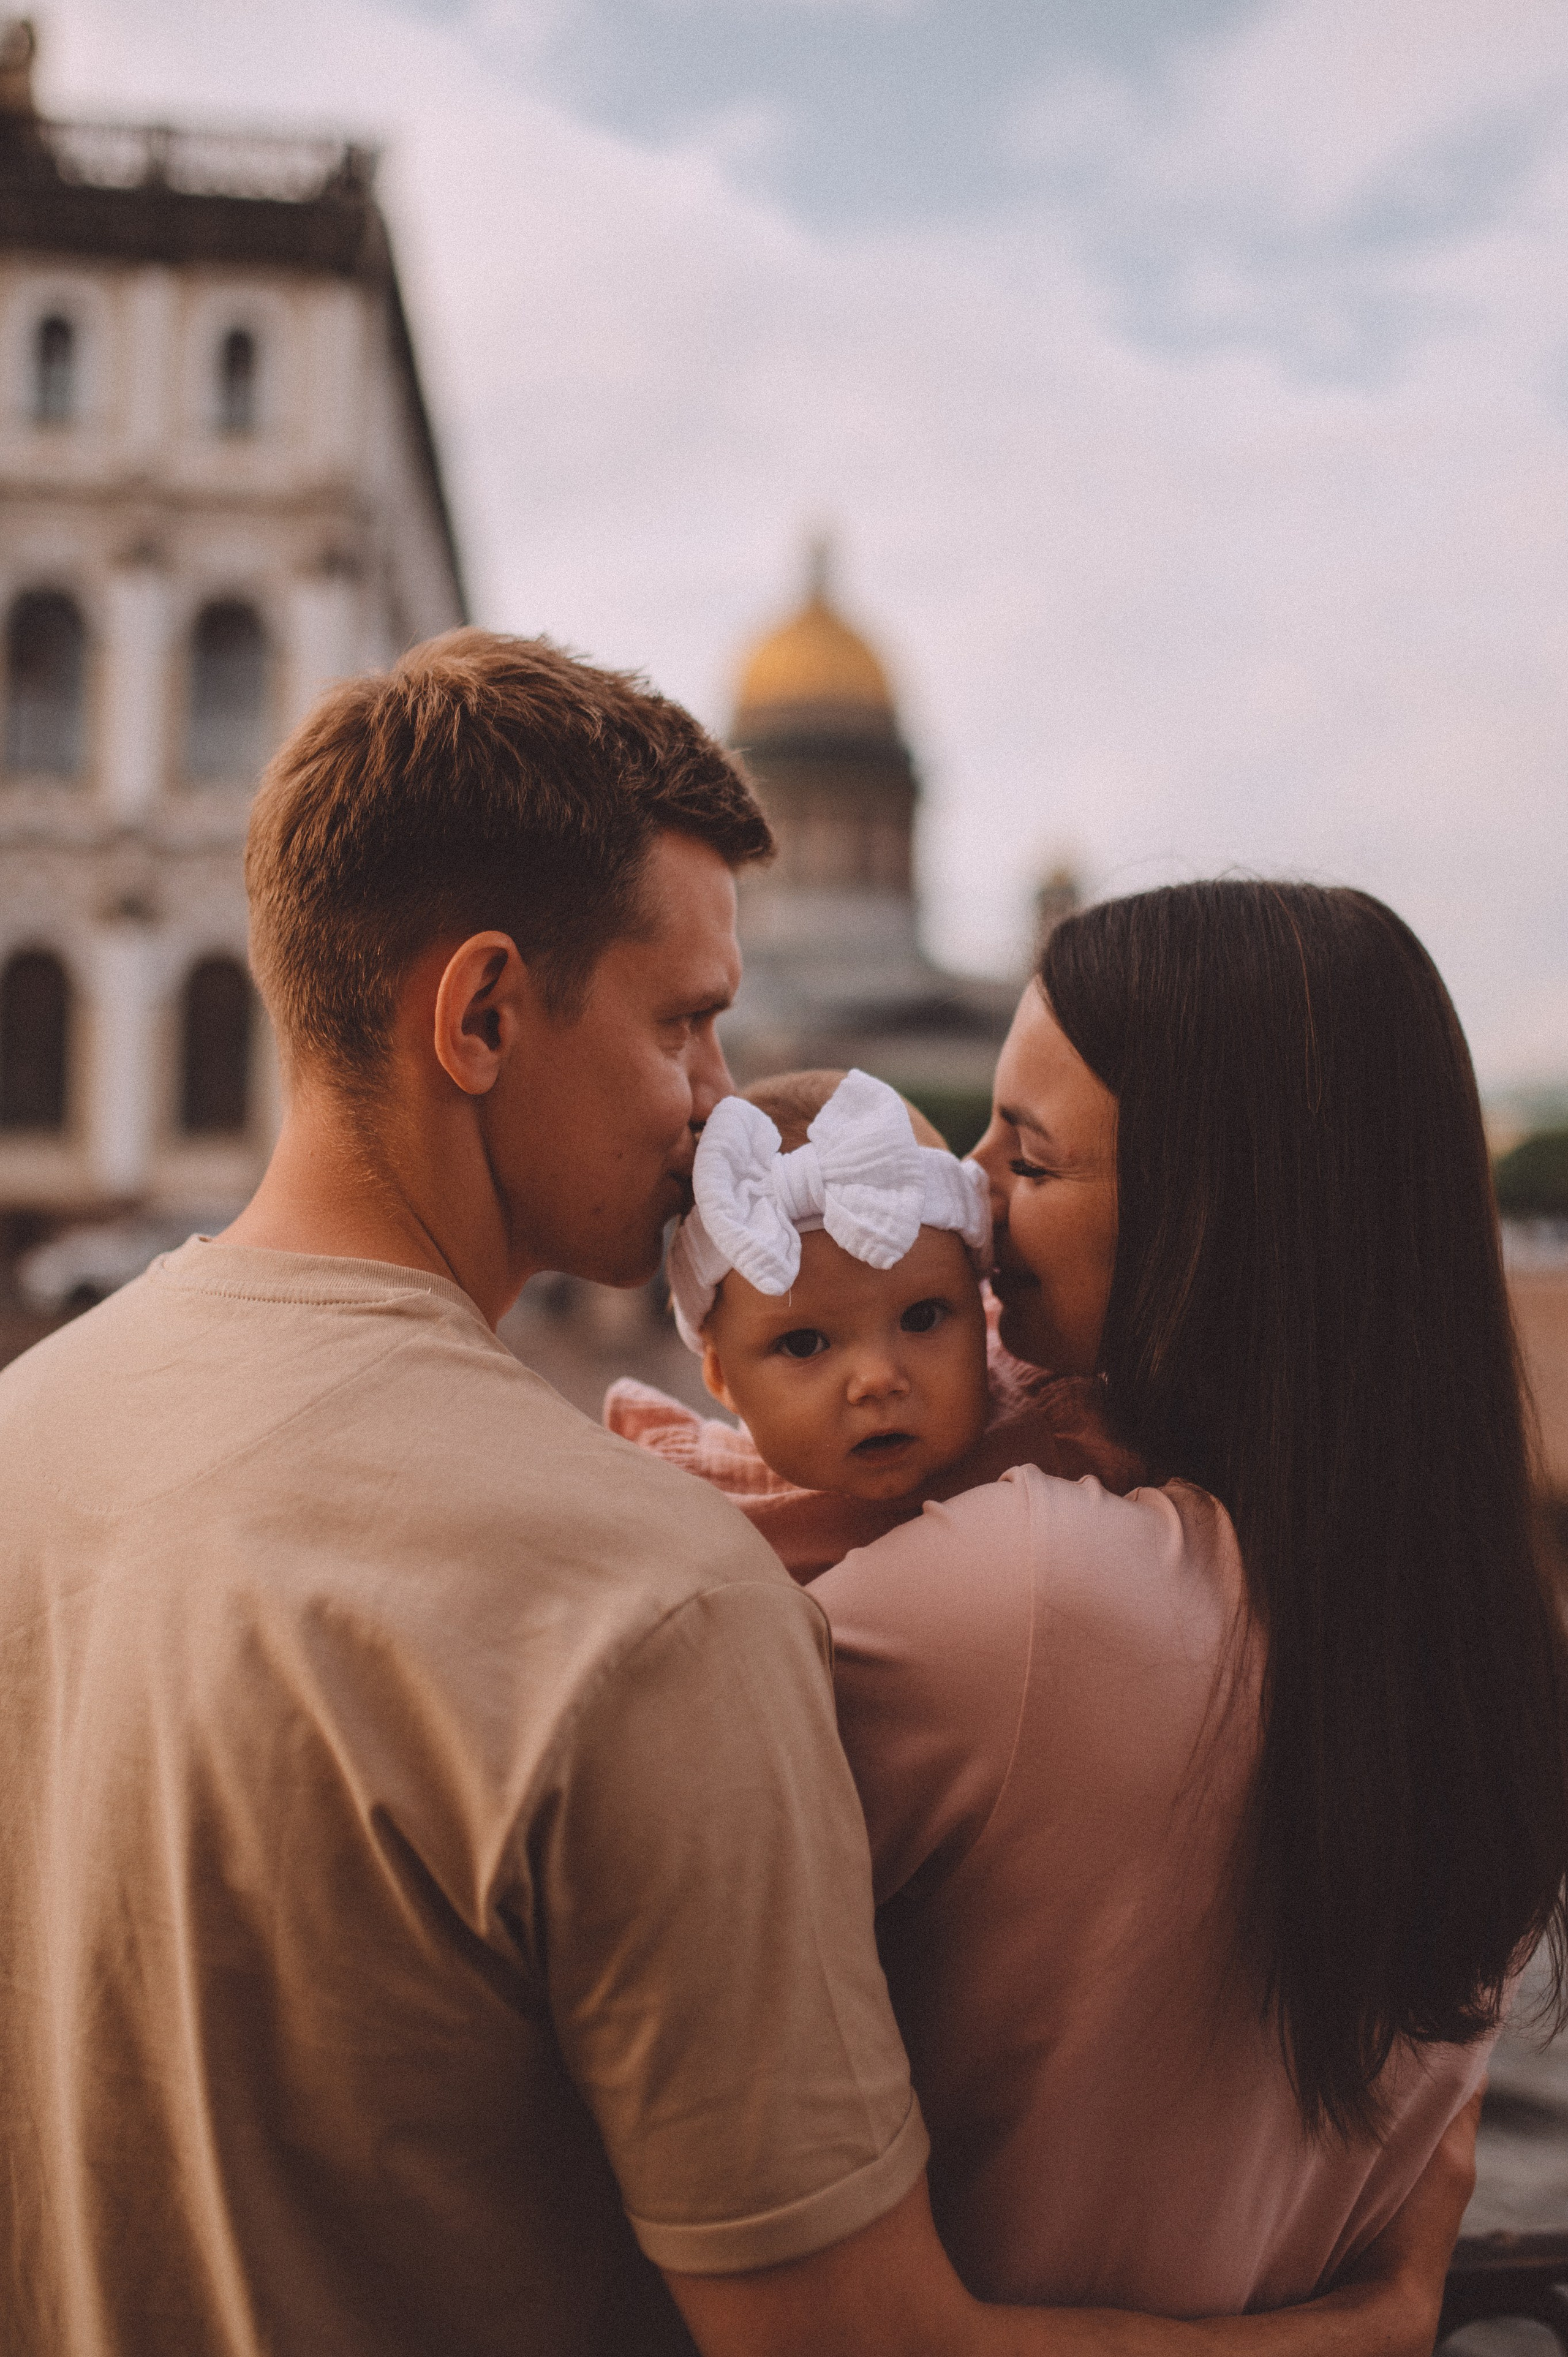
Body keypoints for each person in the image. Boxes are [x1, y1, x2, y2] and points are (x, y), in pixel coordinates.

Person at [0, 636, 1475, 2357]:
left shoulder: (34, 1423)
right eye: (689, 1026)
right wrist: (1361, 2336)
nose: (727, 1114)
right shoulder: (656, 1597)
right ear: (479, 1015)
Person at [808, 883, 1568, 2314]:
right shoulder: (1477, 1647)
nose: (957, 1189)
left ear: (1209, 1219)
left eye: (1023, 1157)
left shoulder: (1031, 1586)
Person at [608, 1068, 1144, 1575]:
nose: (877, 1379)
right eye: (803, 1343)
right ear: (721, 1377)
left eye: (922, 1317)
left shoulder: (1060, 1434)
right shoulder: (692, 1505)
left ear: (981, 1309)